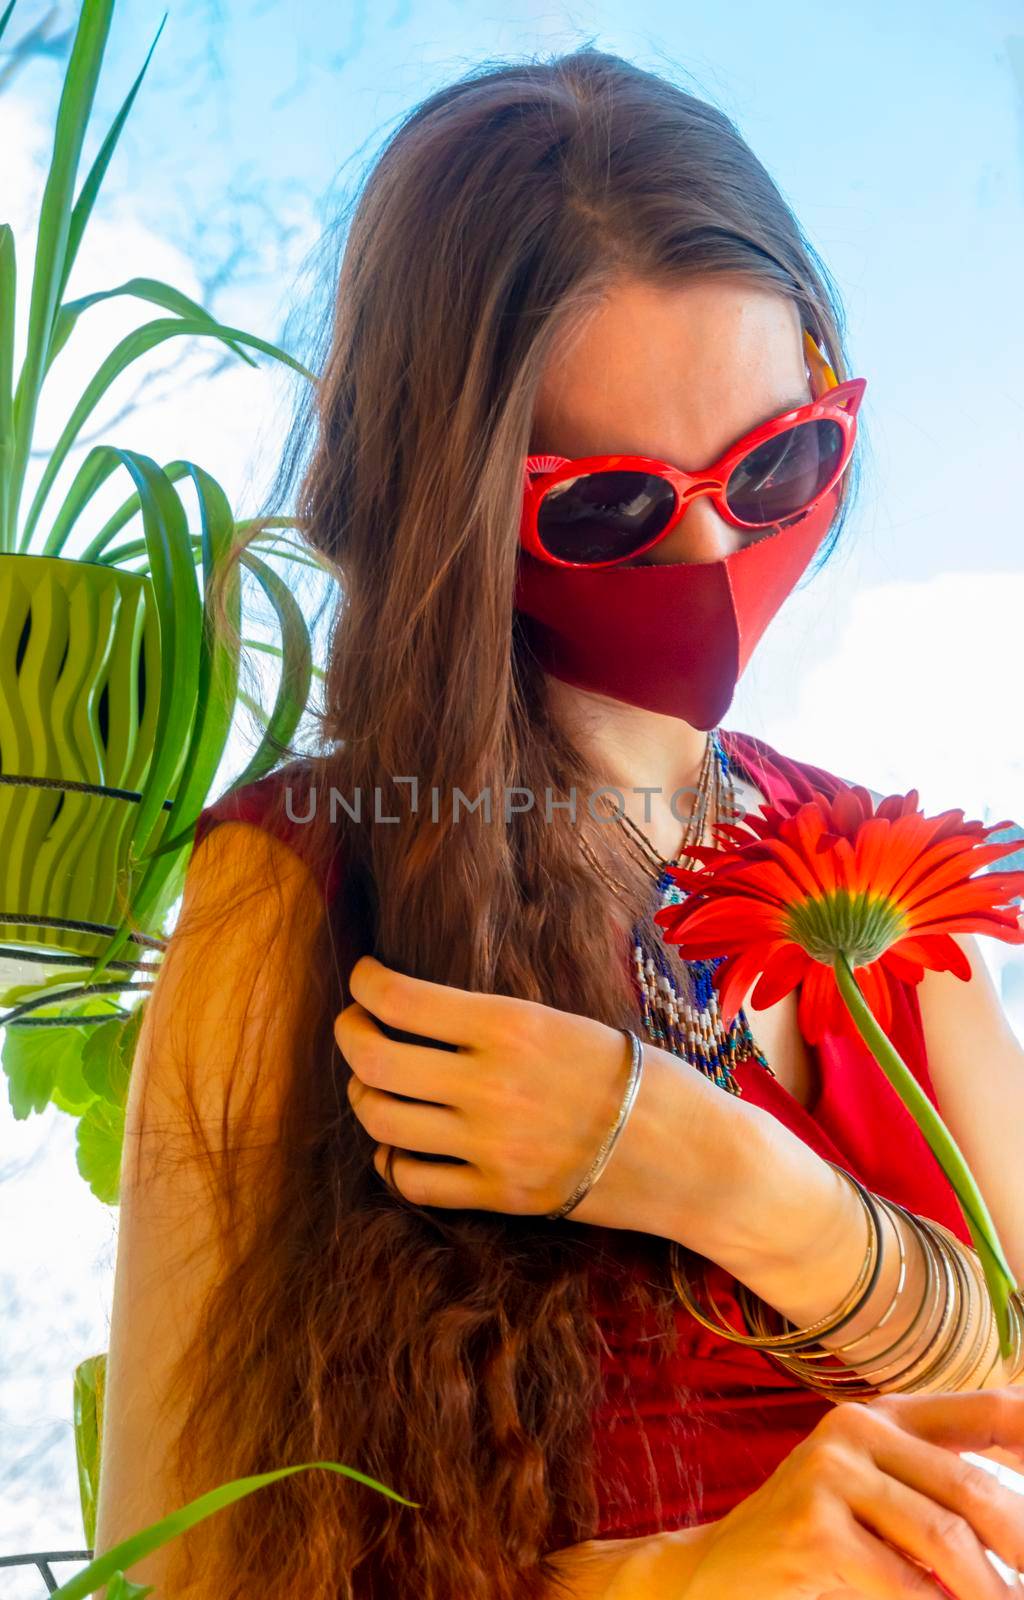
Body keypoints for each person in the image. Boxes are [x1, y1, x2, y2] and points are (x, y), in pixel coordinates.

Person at [93, 46, 1024, 1600]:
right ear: (448, 500)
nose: (721, 554)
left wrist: (708, 1169)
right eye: (611, 511)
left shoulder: (882, 875)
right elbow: (172, 1563)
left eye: (779, 466)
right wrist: (675, 1580)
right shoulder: (303, 889)